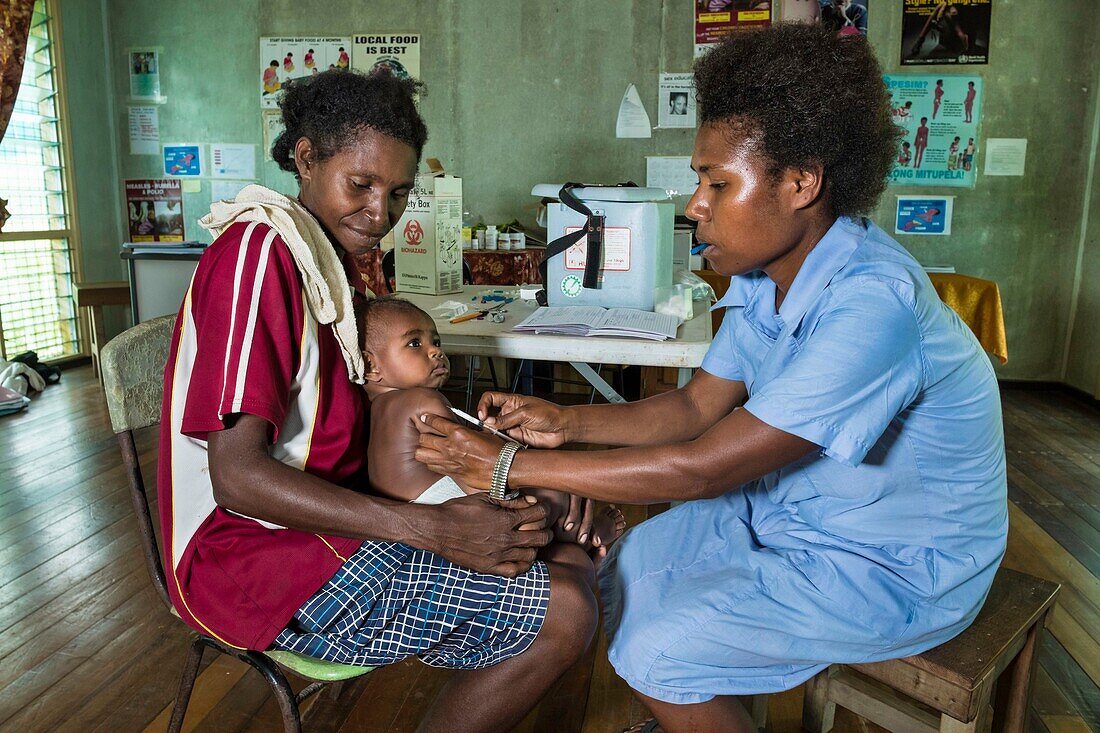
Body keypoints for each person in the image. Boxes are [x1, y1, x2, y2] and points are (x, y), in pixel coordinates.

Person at [415, 24, 1007, 733]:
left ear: (801, 182)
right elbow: (696, 406)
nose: (695, 204)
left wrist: (513, 462)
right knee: (619, 570)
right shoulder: (766, 276)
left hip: (894, 563)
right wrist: (561, 421)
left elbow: (703, 469)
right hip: (795, 515)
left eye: (717, 182)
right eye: (701, 180)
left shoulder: (873, 304)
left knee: (653, 647)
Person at [157, 69, 599, 733]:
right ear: (305, 159)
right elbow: (238, 476)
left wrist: (514, 478)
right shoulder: (261, 254)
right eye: (359, 185)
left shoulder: (337, 263)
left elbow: (377, 429)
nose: (379, 213)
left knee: (558, 546)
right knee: (565, 607)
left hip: (331, 525)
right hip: (250, 558)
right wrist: (439, 527)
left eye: (396, 193)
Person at [357, 296, 626, 548]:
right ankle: (586, 537)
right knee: (552, 494)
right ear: (371, 366)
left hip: (407, 520)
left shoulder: (375, 408)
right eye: (415, 343)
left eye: (436, 342)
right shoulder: (422, 401)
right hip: (441, 509)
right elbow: (473, 471)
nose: (436, 352)